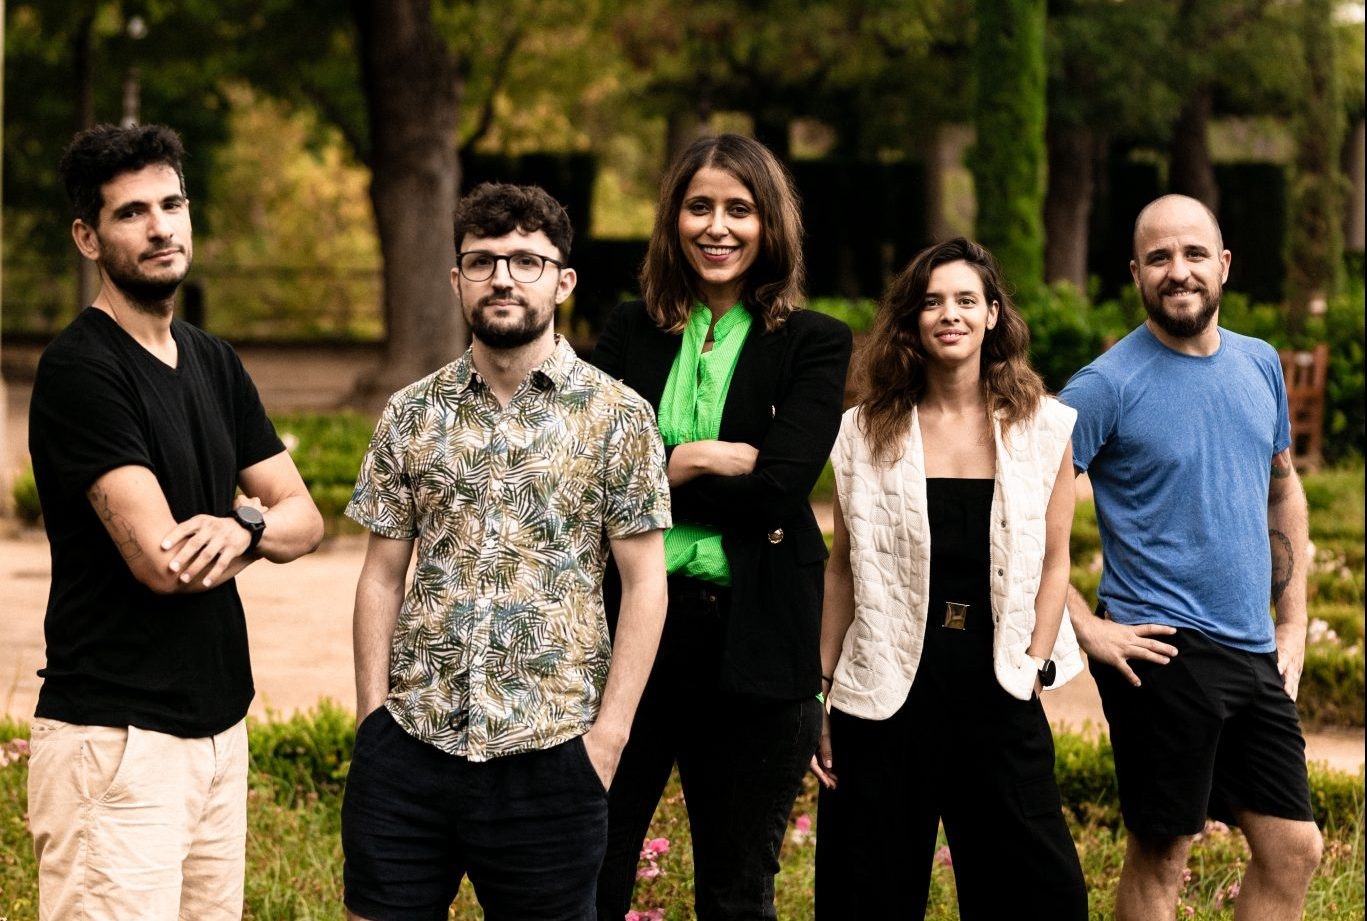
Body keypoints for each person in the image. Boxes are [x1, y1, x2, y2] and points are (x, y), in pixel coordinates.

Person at [341, 182, 671, 921]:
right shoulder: (411, 413)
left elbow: (646, 583)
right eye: (483, 260)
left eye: (526, 260)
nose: (502, 277)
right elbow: (380, 575)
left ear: (563, 280)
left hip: (552, 754)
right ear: (456, 278)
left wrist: (607, 740)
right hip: (411, 746)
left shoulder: (617, 417)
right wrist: (372, 720)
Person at [26, 123, 325, 921]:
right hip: (117, 741)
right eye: (131, 214)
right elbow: (164, 560)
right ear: (87, 236)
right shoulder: (81, 369)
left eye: (172, 203)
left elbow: (303, 517)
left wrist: (244, 529)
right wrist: (252, 525)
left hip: (216, 731)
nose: (161, 226)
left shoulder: (212, 358)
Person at [590, 133, 853, 921]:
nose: (718, 226)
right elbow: (589, 478)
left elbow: (778, 490)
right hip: (627, 631)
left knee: (738, 891)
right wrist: (695, 460)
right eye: (699, 206)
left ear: (770, 224)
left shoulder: (815, 341)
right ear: (673, 220)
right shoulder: (628, 331)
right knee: (589, 866)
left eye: (739, 209)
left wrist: (649, 472)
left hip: (756, 644)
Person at [1060, 194, 1322, 920]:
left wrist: (1292, 620)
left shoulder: (1258, 363)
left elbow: (1283, 492)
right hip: (1161, 649)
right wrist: (1086, 626)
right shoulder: (1103, 386)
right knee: (1164, 853)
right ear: (1135, 273)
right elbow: (1016, 514)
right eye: (1159, 258)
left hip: (1248, 648)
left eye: (1193, 254)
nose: (1178, 272)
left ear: (1224, 265)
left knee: (1294, 848)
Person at [811, 238, 1088, 919]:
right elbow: (842, 565)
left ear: (992, 314)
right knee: (865, 893)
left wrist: (1034, 660)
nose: (949, 314)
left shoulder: (1044, 428)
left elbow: (1057, 557)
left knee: (1039, 893)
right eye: (931, 301)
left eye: (966, 299)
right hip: (883, 692)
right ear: (911, 319)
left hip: (998, 686)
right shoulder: (860, 432)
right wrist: (819, 691)